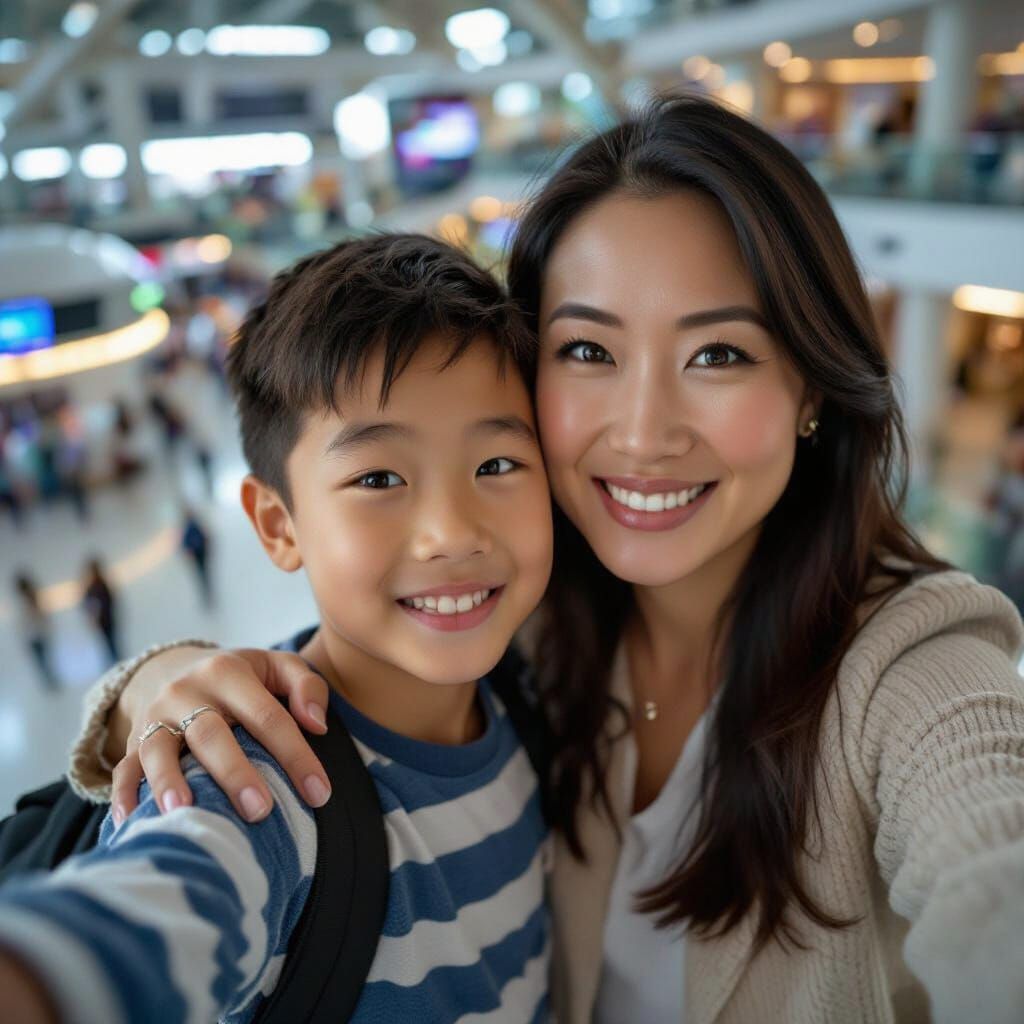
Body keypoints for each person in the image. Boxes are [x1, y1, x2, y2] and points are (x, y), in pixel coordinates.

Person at [48, 96, 1024, 1023]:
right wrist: (155, 684)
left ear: (811, 384)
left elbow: (992, 870)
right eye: (589, 353)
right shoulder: (527, 630)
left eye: (718, 354)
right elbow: (149, 908)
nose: (642, 435)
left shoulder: (913, 672)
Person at [0, 234, 553, 1023]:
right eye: (378, 478)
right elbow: (136, 923)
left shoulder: (530, 701)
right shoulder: (259, 786)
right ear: (277, 524)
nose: (451, 533)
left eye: (496, 465)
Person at [12, 573, 58, 691]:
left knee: (44, 660)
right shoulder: (23, 602)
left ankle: (50, 680)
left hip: (38, 636)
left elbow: (43, 616)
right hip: (34, 637)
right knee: (43, 661)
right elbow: (22, 624)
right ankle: (49, 680)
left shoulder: (33, 599)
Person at [81, 558, 120, 665]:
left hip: (106, 620)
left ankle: (116, 663)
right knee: (110, 645)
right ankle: (115, 663)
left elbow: (109, 601)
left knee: (111, 645)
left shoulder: (98, 586)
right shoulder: (96, 585)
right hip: (105, 621)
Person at [180, 505, 213, 606]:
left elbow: (204, 536)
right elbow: (185, 544)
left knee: (204, 572)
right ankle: (206, 590)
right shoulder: (188, 529)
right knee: (202, 573)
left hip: (200, 552)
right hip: (197, 553)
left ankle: (207, 589)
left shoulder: (194, 525)